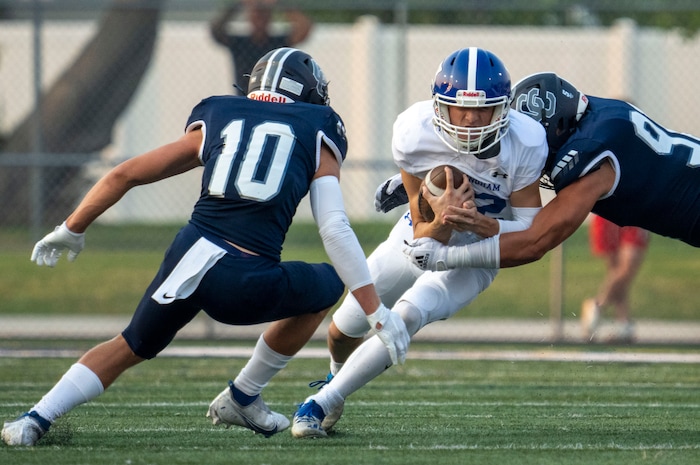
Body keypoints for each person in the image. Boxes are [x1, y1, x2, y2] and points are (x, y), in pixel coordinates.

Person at [1, 47, 409, 447]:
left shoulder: (219, 113)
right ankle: (245, 394)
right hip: (244, 278)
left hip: (189, 257)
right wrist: (375, 312)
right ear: (308, 93)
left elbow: (125, 174)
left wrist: (72, 228)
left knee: (129, 345)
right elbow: (335, 228)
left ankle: (34, 420)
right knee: (327, 283)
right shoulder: (318, 125)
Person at [290, 47, 549, 438]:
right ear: (438, 106)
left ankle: (318, 403)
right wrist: (433, 212)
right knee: (344, 328)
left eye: (484, 109)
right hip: (420, 232)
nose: (471, 119)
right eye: (460, 108)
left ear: (504, 109)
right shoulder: (415, 132)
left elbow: (531, 231)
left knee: (410, 314)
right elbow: (419, 220)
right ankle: (336, 379)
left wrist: (480, 224)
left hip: (479, 250)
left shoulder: (526, 141)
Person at [402, 72, 700, 289]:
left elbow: (535, 242)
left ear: (555, 130)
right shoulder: (592, 116)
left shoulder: (594, 157)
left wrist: (445, 258)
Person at [210, 0, 312, 92]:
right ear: (249, 17)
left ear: (269, 18)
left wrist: (280, 3)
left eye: (263, 15)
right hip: (245, 97)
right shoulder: (239, 43)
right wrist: (239, 4)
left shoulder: (278, 43)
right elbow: (216, 30)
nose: (259, 19)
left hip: (272, 97)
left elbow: (304, 28)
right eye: (256, 15)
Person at [581, 214, 650, 343]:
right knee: (614, 271)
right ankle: (623, 322)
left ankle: (599, 305)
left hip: (636, 208)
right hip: (607, 209)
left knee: (627, 266)